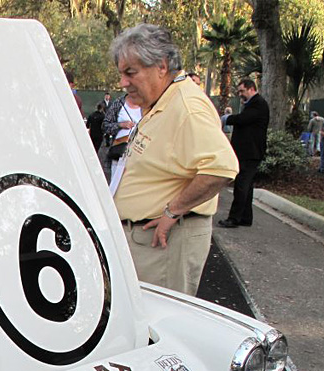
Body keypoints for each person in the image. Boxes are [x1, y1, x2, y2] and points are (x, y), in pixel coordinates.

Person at [110, 23, 238, 296]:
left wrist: (173, 211)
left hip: (163, 244)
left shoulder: (186, 107)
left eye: (131, 73)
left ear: (162, 66)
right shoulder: (162, 102)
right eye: (121, 74)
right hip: (144, 242)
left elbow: (221, 168)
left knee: (157, 326)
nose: (123, 83)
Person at [217, 78, 269, 229]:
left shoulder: (258, 104)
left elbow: (243, 119)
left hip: (250, 152)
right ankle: (245, 217)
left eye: (242, 91)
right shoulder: (252, 104)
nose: (240, 94)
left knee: (241, 185)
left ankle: (234, 218)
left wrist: (226, 119)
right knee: (247, 186)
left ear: (251, 89)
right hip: (248, 152)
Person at [103, 92, 142, 185]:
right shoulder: (118, 103)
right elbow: (105, 126)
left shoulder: (149, 105)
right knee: (115, 184)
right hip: (119, 152)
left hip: (139, 154)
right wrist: (121, 125)